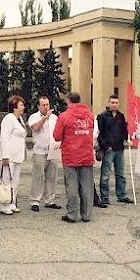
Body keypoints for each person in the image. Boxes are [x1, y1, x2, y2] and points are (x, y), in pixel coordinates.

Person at [53, 92, 95, 223]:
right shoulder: (90, 115)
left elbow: (57, 136)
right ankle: (86, 214)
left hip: (70, 156)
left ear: (69, 101)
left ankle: (72, 214)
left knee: (72, 186)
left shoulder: (64, 116)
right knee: (87, 187)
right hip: (86, 155)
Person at [97, 95, 133, 205]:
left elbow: (124, 131)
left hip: (119, 149)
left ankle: (121, 194)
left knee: (120, 174)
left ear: (118, 104)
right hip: (108, 149)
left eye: (116, 103)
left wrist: (127, 139)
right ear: (109, 103)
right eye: (112, 102)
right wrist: (105, 146)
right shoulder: (102, 116)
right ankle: (105, 196)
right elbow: (100, 134)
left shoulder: (121, 116)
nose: (114, 105)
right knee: (105, 175)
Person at [27, 96, 61, 212]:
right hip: (40, 151)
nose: (46, 107)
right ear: (38, 106)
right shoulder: (34, 117)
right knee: (38, 176)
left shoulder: (55, 118)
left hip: (53, 150)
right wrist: (44, 118)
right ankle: (35, 200)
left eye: (47, 104)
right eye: (44, 105)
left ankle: (49, 200)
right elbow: (35, 128)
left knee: (52, 176)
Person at [0, 96, 27, 215]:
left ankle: (12, 201)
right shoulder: (8, 118)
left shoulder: (19, 119)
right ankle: (3, 204)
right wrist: (5, 156)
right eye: (21, 105)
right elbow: (4, 137)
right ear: (14, 107)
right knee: (6, 180)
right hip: (8, 156)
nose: (23, 107)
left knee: (15, 180)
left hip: (17, 156)